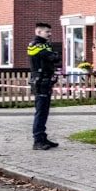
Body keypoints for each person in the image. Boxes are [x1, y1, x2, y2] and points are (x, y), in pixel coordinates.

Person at [26, 22, 60, 150]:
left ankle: (42, 137)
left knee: (45, 111)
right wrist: (54, 56)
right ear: (39, 32)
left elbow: (54, 57)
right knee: (40, 111)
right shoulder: (36, 45)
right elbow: (53, 57)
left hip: (46, 80)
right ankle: (38, 140)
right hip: (40, 81)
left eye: (50, 32)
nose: (50, 34)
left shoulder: (44, 45)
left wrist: (54, 56)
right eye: (47, 32)